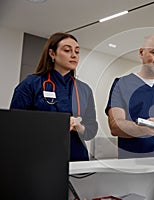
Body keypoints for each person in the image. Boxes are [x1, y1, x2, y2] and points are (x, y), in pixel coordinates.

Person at [10, 32, 98, 162]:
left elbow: (91, 129)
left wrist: (78, 126)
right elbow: (14, 125)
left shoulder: (84, 90)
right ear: (52, 54)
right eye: (67, 50)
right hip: (40, 158)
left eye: (77, 51)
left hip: (76, 158)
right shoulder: (31, 84)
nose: (74, 55)